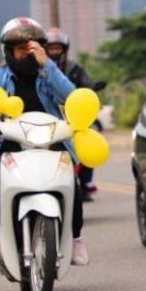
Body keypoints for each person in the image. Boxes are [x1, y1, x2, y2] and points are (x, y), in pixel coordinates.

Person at [0, 17, 89, 268]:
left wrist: (46, 64)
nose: (27, 52)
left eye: (32, 46)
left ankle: (77, 238)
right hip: (10, 140)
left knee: (72, 179)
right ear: (9, 51)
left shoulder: (47, 72)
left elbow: (70, 95)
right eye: (21, 47)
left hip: (49, 139)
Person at [44, 27, 99, 201]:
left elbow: (85, 86)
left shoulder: (74, 68)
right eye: (51, 48)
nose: (54, 52)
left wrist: (88, 96)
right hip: (48, 116)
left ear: (64, 50)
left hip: (74, 116)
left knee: (90, 140)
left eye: (57, 48)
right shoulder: (39, 69)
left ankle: (86, 181)